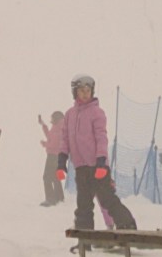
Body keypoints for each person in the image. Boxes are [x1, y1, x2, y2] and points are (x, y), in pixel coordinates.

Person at [54, 75, 135, 234]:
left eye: (88, 90)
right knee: (83, 204)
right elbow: (65, 140)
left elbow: (101, 138)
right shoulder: (69, 114)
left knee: (107, 199)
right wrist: (61, 162)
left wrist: (101, 162)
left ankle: (128, 226)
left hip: (98, 166)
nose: (85, 94)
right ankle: (84, 236)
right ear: (75, 92)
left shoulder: (97, 113)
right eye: (81, 91)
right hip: (81, 168)